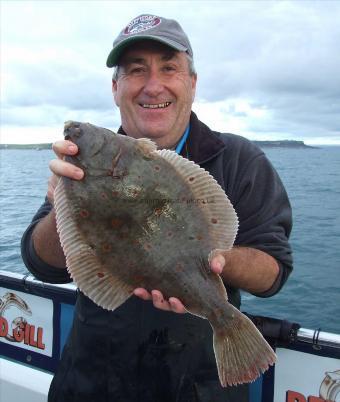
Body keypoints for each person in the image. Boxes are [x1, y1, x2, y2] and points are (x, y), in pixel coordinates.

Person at [21, 14, 293, 402]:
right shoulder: (82, 165)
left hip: (200, 387)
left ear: (192, 84)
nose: (153, 85)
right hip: (93, 382)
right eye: (136, 71)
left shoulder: (240, 160)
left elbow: (274, 272)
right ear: (116, 88)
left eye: (169, 68)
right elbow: (39, 262)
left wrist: (207, 261)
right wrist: (60, 204)